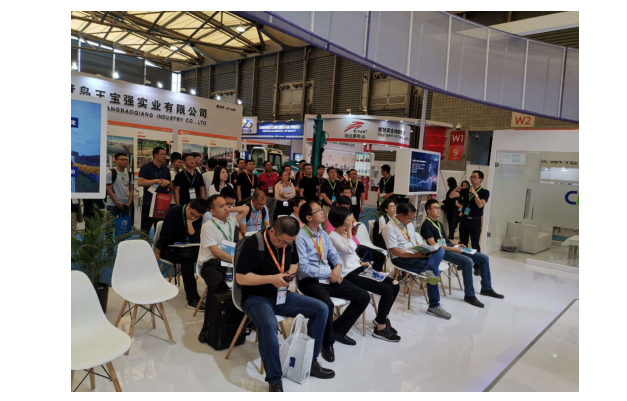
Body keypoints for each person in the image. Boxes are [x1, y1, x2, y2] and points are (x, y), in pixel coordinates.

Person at [236, 217, 335, 392]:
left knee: (322, 309)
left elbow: (295, 263)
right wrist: (271, 279)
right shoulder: (254, 243)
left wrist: (290, 274)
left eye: (289, 243)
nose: (285, 246)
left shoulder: (290, 242)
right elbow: (241, 278)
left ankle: (310, 363)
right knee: (269, 325)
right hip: (255, 297)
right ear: (272, 231)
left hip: (281, 295)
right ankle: (274, 380)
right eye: (282, 242)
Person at [296, 201, 370, 362]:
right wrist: (331, 272)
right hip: (310, 280)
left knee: (363, 296)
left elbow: (334, 255)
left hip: (329, 277)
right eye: (318, 210)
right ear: (309, 217)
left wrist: (338, 267)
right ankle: (327, 343)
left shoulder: (323, 234)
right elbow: (304, 268)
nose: (323, 212)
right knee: (327, 306)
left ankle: (338, 330)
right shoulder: (300, 238)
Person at [328, 207, 401, 342]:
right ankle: (380, 328)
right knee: (387, 290)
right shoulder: (332, 237)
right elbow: (349, 249)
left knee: (395, 285)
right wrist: (349, 231)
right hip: (349, 273)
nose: (352, 220)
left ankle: (382, 318)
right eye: (349, 218)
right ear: (342, 220)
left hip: (358, 268)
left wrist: (361, 262)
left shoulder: (344, 234)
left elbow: (353, 254)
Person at [420, 199, 504, 308]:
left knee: (484, 258)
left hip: (449, 247)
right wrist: (452, 249)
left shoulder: (439, 223)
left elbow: (445, 239)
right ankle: (469, 295)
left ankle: (486, 289)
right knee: (467, 261)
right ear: (428, 210)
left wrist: (457, 244)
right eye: (435, 208)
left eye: (439, 207)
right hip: (440, 252)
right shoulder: (426, 224)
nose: (438, 210)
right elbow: (433, 244)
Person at [382, 203, 450, 320]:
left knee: (440, 250)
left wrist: (423, 249)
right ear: (401, 215)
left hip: (415, 254)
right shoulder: (389, 228)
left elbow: (414, 242)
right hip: (401, 259)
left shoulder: (409, 224)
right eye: (409, 218)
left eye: (413, 218)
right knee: (434, 270)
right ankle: (434, 306)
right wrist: (415, 255)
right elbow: (395, 251)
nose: (411, 221)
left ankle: (427, 270)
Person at [155, 198, 208, 311]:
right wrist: (157, 251)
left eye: (196, 216)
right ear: (188, 205)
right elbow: (165, 234)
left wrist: (190, 223)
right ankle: (192, 299)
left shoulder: (197, 217)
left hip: (185, 248)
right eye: (192, 214)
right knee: (187, 261)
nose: (193, 217)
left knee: (207, 257)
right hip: (168, 247)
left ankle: (210, 293)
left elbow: (195, 239)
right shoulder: (174, 211)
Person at [197, 194, 249, 296]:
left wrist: (228, 209)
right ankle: (221, 299)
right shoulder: (208, 226)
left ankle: (237, 299)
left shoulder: (231, 220)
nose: (226, 208)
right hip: (212, 262)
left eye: (226, 204)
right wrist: (235, 260)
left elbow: (246, 209)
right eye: (221, 206)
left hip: (228, 260)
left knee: (248, 275)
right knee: (218, 284)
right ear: (213, 212)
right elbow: (215, 252)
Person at [327, 196, 386, 272]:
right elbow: (349, 249)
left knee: (380, 256)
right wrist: (348, 230)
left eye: (348, 207)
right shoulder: (335, 229)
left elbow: (352, 249)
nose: (347, 210)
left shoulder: (346, 225)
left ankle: (373, 273)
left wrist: (352, 232)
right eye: (344, 208)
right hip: (350, 250)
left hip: (355, 245)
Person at [137, 147, 172, 234]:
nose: (165, 156)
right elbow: (140, 182)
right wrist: (156, 181)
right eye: (162, 154)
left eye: (165, 154)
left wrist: (167, 183)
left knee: (160, 229)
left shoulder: (166, 169)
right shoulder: (146, 167)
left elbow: (170, 186)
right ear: (155, 155)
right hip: (149, 202)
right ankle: (144, 242)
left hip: (162, 203)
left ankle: (158, 243)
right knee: (145, 230)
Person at [458, 171, 489, 253]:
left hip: (475, 220)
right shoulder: (465, 191)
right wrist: (456, 189)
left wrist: (475, 194)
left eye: (474, 177)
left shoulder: (485, 192)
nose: (472, 179)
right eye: (471, 177)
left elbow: (480, 205)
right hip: (464, 219)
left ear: (480, 179)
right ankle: (463, 259)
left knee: (475, 243)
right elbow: (451, 196)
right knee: (462, 243)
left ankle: (477, 260)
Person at [105, 153, 133, 218]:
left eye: (126, 160)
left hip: (126, 204)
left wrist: (129, 202)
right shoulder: (110, 172)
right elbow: (108, 189)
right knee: (110, 223)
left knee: (125, 223)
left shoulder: (129, 174)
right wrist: (117, 203)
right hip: (112, 204)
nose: (125, 161)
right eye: (122, 159)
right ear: (116, 161)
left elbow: (131, 189)